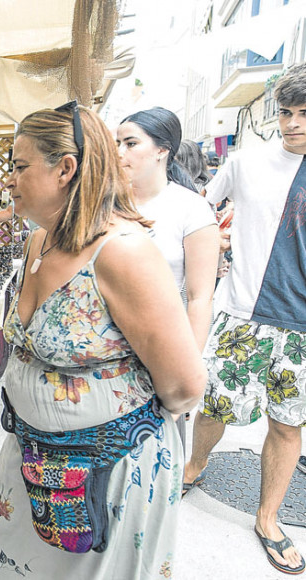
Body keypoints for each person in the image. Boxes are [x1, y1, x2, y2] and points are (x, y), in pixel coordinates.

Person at [0, 102, 205, 579]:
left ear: (65, 169)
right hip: (32, 460)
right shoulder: (39, 241)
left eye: (19, 166)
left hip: (104, 474)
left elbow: (184, 385)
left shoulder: (124, 253)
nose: (8, 180)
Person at [184, 62, 306, 575]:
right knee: (214, 407)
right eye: (286, 112)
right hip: (243, 316)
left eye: (304, 113)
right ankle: (193, 466)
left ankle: (268, 517)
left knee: (288, 425)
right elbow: (193, 213)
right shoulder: (246, 162)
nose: (293, 122)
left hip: (302, 331)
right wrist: (214, 245)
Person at [117, 108, 220, 454]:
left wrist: (187, 370)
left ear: (162, 149)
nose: (120, 153)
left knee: (157, 457)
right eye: (117, 143)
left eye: (131, 143)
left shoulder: (191, 209)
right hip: (107, 351)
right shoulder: (106, 204)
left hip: (161, 350)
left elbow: (200, 296)